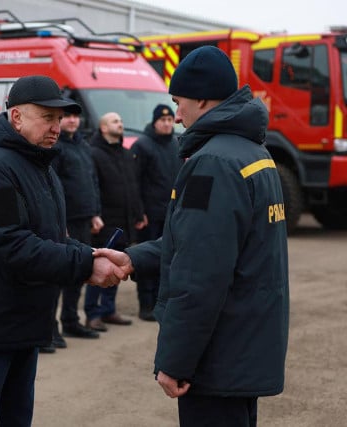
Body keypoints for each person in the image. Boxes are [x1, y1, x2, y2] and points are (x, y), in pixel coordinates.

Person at [95, 46, 289, 427]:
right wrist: (137, 258)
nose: (178, 115)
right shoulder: (252, 153)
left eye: (178, 102)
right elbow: (206, 243)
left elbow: (200, 274)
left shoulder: (212, 163)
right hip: (242, 346)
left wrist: (175, 362)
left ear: (202, 98)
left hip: (218, 355)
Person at [0, 75, 130, 426]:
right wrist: (86, 264)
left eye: (59, 119)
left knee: (17, 418)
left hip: (23, 320)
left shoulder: (40, 165)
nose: (56, 127)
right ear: (16, 117)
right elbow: (13, 245)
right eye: (47, 117)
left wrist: (93, 253)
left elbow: (52, 236)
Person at [84, 112, 145, 332]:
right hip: (105, 221)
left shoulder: (126, 154)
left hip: (124, 220)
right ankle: (92, 314)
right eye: (114, 121)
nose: (120, 124)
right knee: (99, 266)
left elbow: (133, 187)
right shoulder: (93, 154)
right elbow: (93, 187)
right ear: (103, 128)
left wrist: (139, 213)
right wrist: (94, 214)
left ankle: (108, 310)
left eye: (120, 120)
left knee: (117, 268)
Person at [47, 111, 103, 351]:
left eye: (75, 117)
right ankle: (49, 330)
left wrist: (95, 213)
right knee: (56, 277)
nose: (72, 120)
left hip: (84, 218)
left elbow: (92, 182)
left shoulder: (83, 146)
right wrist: (61, 222)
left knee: (79, 273)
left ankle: (71, 320)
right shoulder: (55, 148)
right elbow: (52, 186)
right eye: (66, 117)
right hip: (65, 221)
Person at [130, 104, 182, 321]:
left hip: (169, 213)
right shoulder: (142, 145)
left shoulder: (176, 144)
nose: (168, 124)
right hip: (149, 214)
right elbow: (134, 183)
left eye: (170, 120)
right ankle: (146, 303)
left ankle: (162, 302)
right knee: (146, 261)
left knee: (167, 260)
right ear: (154, 122)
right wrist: (139, 212)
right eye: (163, 121)